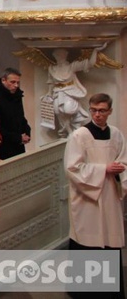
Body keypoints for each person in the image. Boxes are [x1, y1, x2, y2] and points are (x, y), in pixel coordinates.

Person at [64, 93, 127, 296]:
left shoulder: (116, 134)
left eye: (101, 110)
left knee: (108, 239)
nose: (97, 114)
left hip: (109, 195)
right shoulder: (80, 135)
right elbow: (72, 168)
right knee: (88, 240)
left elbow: (124, 161)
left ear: (109, 111)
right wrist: (103, 170)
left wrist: (119, 170)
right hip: (87, 198)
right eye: (93, 110)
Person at [47, 46, 104, 137]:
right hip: (57, 93)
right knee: (58, 112)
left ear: (65, 56)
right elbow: (50, 82)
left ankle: (76, 120)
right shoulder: (52, 68)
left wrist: (95, 51)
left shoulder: (72, 66)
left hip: (70, 92)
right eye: (57, 56)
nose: (59, 57)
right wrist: (49, 93)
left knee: (68, 110)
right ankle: (68, 132)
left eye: (60, 55)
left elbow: (90, 64)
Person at [0, 68, 31, 159]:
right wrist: (18, 138)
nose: (16, 85)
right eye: (13, 82)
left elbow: (21, 118)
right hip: (5, 146)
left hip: (19, 144)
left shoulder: (17, 96)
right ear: (3, 80)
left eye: (18, 83)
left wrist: (27, 132)